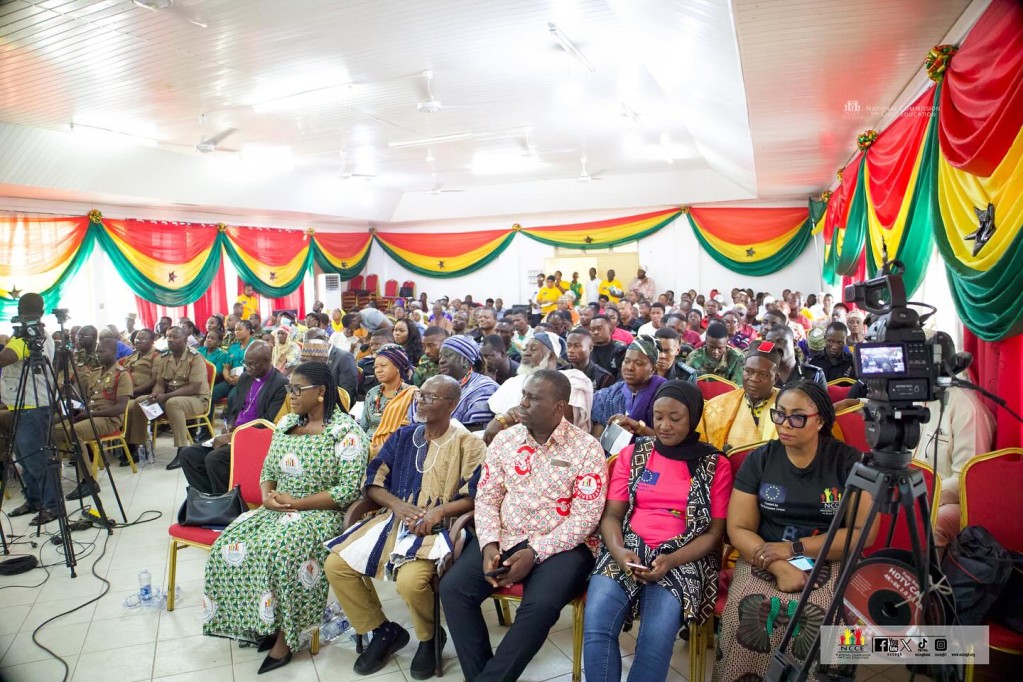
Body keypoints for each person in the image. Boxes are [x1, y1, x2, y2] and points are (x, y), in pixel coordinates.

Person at [202, 362, 368, 674]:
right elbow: (269, 468)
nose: (290, 395)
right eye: (289, 388)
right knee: (230, 542)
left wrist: (298, 503)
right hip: (279, 507)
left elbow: (347, 490)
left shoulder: (345, 432)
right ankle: (263, 620)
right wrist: (267, 495)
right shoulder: (287, 422)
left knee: (279, 550)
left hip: (321, 514)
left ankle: (287, 637)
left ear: (321, 392)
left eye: (297, 389)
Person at [440, 370, 606, 682]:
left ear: (559, 406)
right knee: (454, 589)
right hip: (505, 535)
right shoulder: (506, 440)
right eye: (524, 395)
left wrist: (535, 552)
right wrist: (489, 545)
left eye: (533, 398)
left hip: (563, 545)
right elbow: (487, 498)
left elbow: (586, 517)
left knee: (540, 606)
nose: (523, 403)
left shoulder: (586, 448)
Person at [325, 375, 486, 678]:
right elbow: (373, 481)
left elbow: (475, 494)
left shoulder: (469, 444)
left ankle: (430, 637)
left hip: (441, 527)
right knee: (336, 565)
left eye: (430, 397)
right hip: (393, 520)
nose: (420, 401)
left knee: (410, 582)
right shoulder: (403, 436)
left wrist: (438, 512)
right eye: (420, 395)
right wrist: (397, 505)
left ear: (452, 405)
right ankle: (382, 631)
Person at [713, 381, 875, 681]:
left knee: (828, 616)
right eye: (780, 414)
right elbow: (738, 528)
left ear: (820, 420)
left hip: (830, 556)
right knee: (748, 610)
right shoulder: (761, 459)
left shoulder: (847, 461)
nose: (785, 424)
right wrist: (777, 565)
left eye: (797, 417)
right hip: (764, 553)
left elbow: (862, 533)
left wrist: (794, 549)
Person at [584, 381, 732, 682]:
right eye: (658, 417)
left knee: (655, 640)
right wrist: (619, 551)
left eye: (675, 418)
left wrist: (672, 559)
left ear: (693, 417)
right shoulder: (633, 455)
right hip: (627, 548)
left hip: (685, 555)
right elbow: (612, 516)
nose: (664, 426)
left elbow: (714, 533)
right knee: (597, 625)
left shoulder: (714, 464)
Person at [180, 341, 288, 496]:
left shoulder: (280, 384)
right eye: (246, 363)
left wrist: (234, 435)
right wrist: (229, 424)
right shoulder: (245, 377)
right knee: (188, 455)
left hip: (255, 437)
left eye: (253, 364)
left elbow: (267, 421)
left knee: (214, 459)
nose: (248, 368)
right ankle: (211, 498)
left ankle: (227, 502)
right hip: (235, 433)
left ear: (268, 360)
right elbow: (236, 408)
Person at [0, 294, 59, 524]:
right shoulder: (26, 335)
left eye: (25, 312)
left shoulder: (32, 336)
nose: (23, 316)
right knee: (24, 459)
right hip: (20, 405)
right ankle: (34, 500)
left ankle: (52, 506)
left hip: (33, 406)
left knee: (36, 459)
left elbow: (5, 358)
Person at [913, 385, 994, 547]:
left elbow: (966, 482)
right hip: (912, 493)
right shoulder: (910, 396)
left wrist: (919, 496)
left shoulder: (966, 407)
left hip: (951, 501)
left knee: (929, 525)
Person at [55, 337, 134, 498]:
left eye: (102, 351)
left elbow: (120, 407)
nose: (98, 354)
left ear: (114, 353)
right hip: (91, 414)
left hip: (109, 419)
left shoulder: (122, 375)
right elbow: (88, 399)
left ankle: (88, 482)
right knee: (54, 430)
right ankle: (54, 476)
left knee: (74, 431)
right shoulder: (96, 373)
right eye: (97, 351)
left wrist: (91, 414)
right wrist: (78, 409)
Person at [483, 332, 594, 443]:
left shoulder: (572, 379)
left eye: (533, 349)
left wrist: (505, 419)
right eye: (525, 349)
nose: (526, 353)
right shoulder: (513, 382)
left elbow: (556, 416)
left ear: (551, 356)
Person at [128, 327, 211, 470]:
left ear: (185, 339)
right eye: (169, 337)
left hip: (196, 399)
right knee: (140, 401)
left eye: (175, 337)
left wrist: (166, 396)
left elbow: (194, 387)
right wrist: (155, 394)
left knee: (173, 403)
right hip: (170, 398)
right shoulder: (165, 357)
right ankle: (140, 447)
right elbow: (160, 383)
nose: (170, 340)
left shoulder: (195, 357)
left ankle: (182, 450)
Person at [699, 340, 783, 452]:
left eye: (763, 374)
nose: (754, 379)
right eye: (749, 371)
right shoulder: (716, 405)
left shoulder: (788, 407)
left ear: (775, 378)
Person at [591, 336, 667, 440]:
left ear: (652, 369)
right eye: (626, 361)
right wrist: (615, 433)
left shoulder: (664, 395)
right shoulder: (609, 396)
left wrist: (636, 426)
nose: (630, 367)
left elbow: (666, 440)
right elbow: (597, 439)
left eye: (638, 363)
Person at [360, 344, 417, 456]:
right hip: (367, 447)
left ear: (397, 367)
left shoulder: (411, 394)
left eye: (383, 366)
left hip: (395, 450)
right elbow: (363, 426)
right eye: (375, 367)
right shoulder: (372, 393)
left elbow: (408, 431)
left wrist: (386, 449)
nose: (378, 370)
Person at [432, 336, 498, 430]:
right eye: (440, 357)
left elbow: (475, 430)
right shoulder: (440, 385)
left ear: (464, 360)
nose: (441, 361)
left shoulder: (485, 388)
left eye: (447, 355)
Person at [764, 324, 827, 389]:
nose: (775, 347)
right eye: (770, 343)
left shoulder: (814, 374)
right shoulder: (763, 374)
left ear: (794, 343)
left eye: (780, 341)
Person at [198, 328, 230, 437]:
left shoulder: (222, 354)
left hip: (214, 383)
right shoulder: (199, 351)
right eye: (208, 337)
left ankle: (205, 431)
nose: (209, 340)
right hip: (198, 382)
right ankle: (191, 429)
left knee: (207, 395)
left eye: (213, 338)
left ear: (219, 342)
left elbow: (216, 374)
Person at [122, 328, 160, 399]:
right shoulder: (133, 355)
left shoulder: (156, 356)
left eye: (143, 339)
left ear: (152, 341)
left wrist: (132, 391)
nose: (138, 342)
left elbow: (154, 380)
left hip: (141, 394)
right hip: (125, 390)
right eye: (137, 339)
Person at [589, 315, 627, 379]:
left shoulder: (620, 350)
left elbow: (622, 376)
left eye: (599, 329)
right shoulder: (587, 350)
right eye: (592, 329)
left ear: (610, 330)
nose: (595, 332)